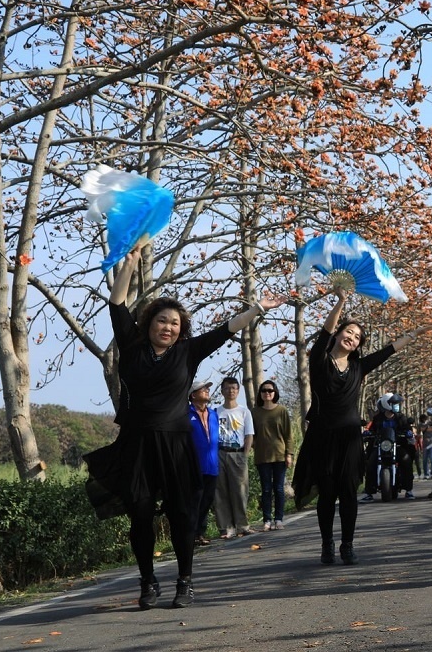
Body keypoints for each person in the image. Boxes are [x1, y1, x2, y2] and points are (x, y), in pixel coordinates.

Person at [82, 245, 285, 610]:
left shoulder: (188, 352)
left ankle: (185, 581)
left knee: (181, 515)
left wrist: (257, 310)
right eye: (163, 321)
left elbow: (227, 328)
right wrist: (128, 265)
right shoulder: (131, 346)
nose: (169, 327)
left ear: (181, 330)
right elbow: (116, 306)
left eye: (175, 323)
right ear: (150, 323)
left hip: (176, 445)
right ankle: (147, 582)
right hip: (137, 443)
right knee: (140, 514)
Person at [291, 288, 426, 565]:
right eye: (348, 333)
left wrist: (411, 337)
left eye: (356, 338)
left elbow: (386, 352)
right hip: (322, 437)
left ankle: (347, 545)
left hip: (350, 438)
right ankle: (327, 543)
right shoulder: (320, 360)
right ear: (340, 334)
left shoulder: (358, 367)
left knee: (349, 493)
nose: (351, 338)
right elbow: (325, 332)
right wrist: (341, 301)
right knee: (327, 494)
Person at [214, 376, 255, 538]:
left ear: (238, 391)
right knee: (220, 491)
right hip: (219, 453)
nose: (231, 391)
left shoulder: (244, 411)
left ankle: (242, 525)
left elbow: (249, 435)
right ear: (222, 391)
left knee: (240, 490)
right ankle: (226, 527)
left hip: (237, 453)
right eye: (227, 388)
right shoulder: (215, 412)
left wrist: (245, 454)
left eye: (234, 388)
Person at [251, 378, 293, 530]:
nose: (267, 393)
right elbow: (251, 434)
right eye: (264, 390)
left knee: (279, 488)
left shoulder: (281, 410)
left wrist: (289, 454)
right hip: (262, 456)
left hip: (280, 455)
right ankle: (267, 520)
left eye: (270, 390)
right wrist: (253, 445)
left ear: (275, 393)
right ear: (260, 394)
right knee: (266, 489)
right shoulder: (254, 412)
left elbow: (288, 434)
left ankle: (279, 519)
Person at [361, 393, 417, 500]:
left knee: (406, 460)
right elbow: (372, 429)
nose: (397, 405)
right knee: (371, 463)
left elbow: (407, 428)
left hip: (397, 446)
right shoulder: (378, 418)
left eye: (397, 404)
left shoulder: (401, 417)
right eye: (394, 403)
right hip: (381, 447)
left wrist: (408, 432)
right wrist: (368, 433)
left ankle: (409, 490)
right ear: (387, 404)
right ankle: (369, 492)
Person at [187, 381, 219, 547]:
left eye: (208, 388)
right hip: (194, 466)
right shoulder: (186, 413)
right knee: (194, 502)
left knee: (207, 500)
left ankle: (200, 533)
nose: (207, 391)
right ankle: (190, 535)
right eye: (203, 389)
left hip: (212, 466)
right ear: (193, 395)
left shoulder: (213, 414)